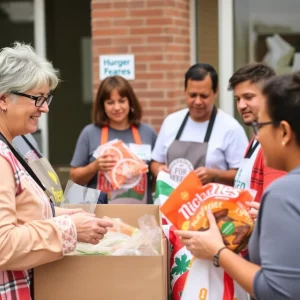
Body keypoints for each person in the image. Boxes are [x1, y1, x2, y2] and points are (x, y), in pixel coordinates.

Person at [0, 42, 112, 299]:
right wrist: (69, 228)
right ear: (4, 98)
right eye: (37, 98)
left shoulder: (9, 145)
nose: (45, 108)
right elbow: (3, 245)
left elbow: (20, 211)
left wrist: (61, 213)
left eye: (46, 98)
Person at [176, 72, 300, 299]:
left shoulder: (283, 193)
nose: (257, 136)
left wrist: (217, 251)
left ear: (283, 131)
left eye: (260, 126)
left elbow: (277, 290)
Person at [151, 63, 248, 185]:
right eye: (192, 95)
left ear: (215, 92)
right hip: (172, 202)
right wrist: (159, 170)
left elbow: (242, 174)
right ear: (185, 91)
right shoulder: (171, 122)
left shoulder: (231, 128)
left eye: (203, 96)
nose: (197, 101)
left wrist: (215, 174)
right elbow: (155, 162)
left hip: (213, 203)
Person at [70, 75, 157, 204]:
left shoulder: (147, 132)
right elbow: (75, 178)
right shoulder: (90, 133)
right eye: (110, 102)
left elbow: (157, 175)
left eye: (122, 101)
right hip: (99, 216)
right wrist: (95, 166)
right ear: (102, 106)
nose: (117, 107)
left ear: (130, 102)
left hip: (140, 214)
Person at [228, 63, 286, 218]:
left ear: (270, 97)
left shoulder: (273, 143)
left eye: (248, 97)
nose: (241, 105)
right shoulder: (255, 138)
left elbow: (273, 209)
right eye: (237, 99)